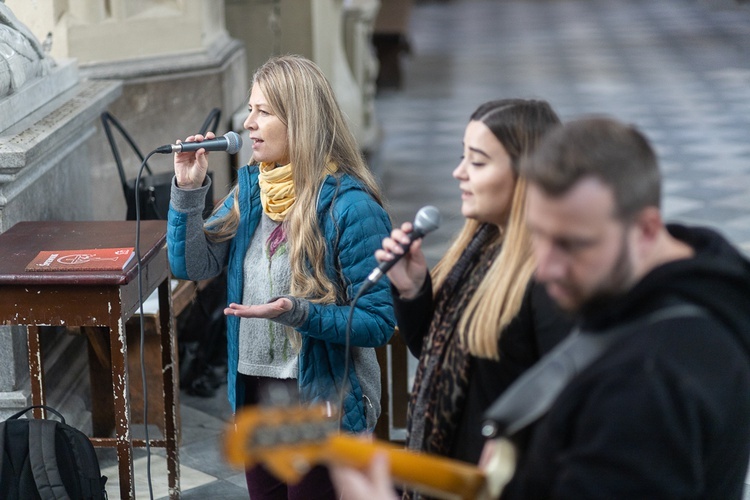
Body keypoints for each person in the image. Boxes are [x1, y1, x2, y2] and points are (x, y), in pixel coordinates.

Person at [330, 116, 750, 499]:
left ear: (646, 229)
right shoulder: (679, 280)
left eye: (570, 244)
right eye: (539, 236)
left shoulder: (648, 381)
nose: (545, 267)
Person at [167, 54, 396, 500]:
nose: (248, 123)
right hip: (257, 402)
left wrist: (300, 313)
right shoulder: (252, 192)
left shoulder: (351, 207)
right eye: (249, 109)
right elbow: (191, 266)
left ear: (300, 120)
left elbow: (377, 322)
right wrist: (189, 190)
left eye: (263, 111)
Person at [375, 99, 572, 481]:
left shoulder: (550, 280)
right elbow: (436, 353)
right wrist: (413, 290)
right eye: (462, 157)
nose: (458, 172)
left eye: (477, 162)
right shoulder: (480, 246)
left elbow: (567, 412)